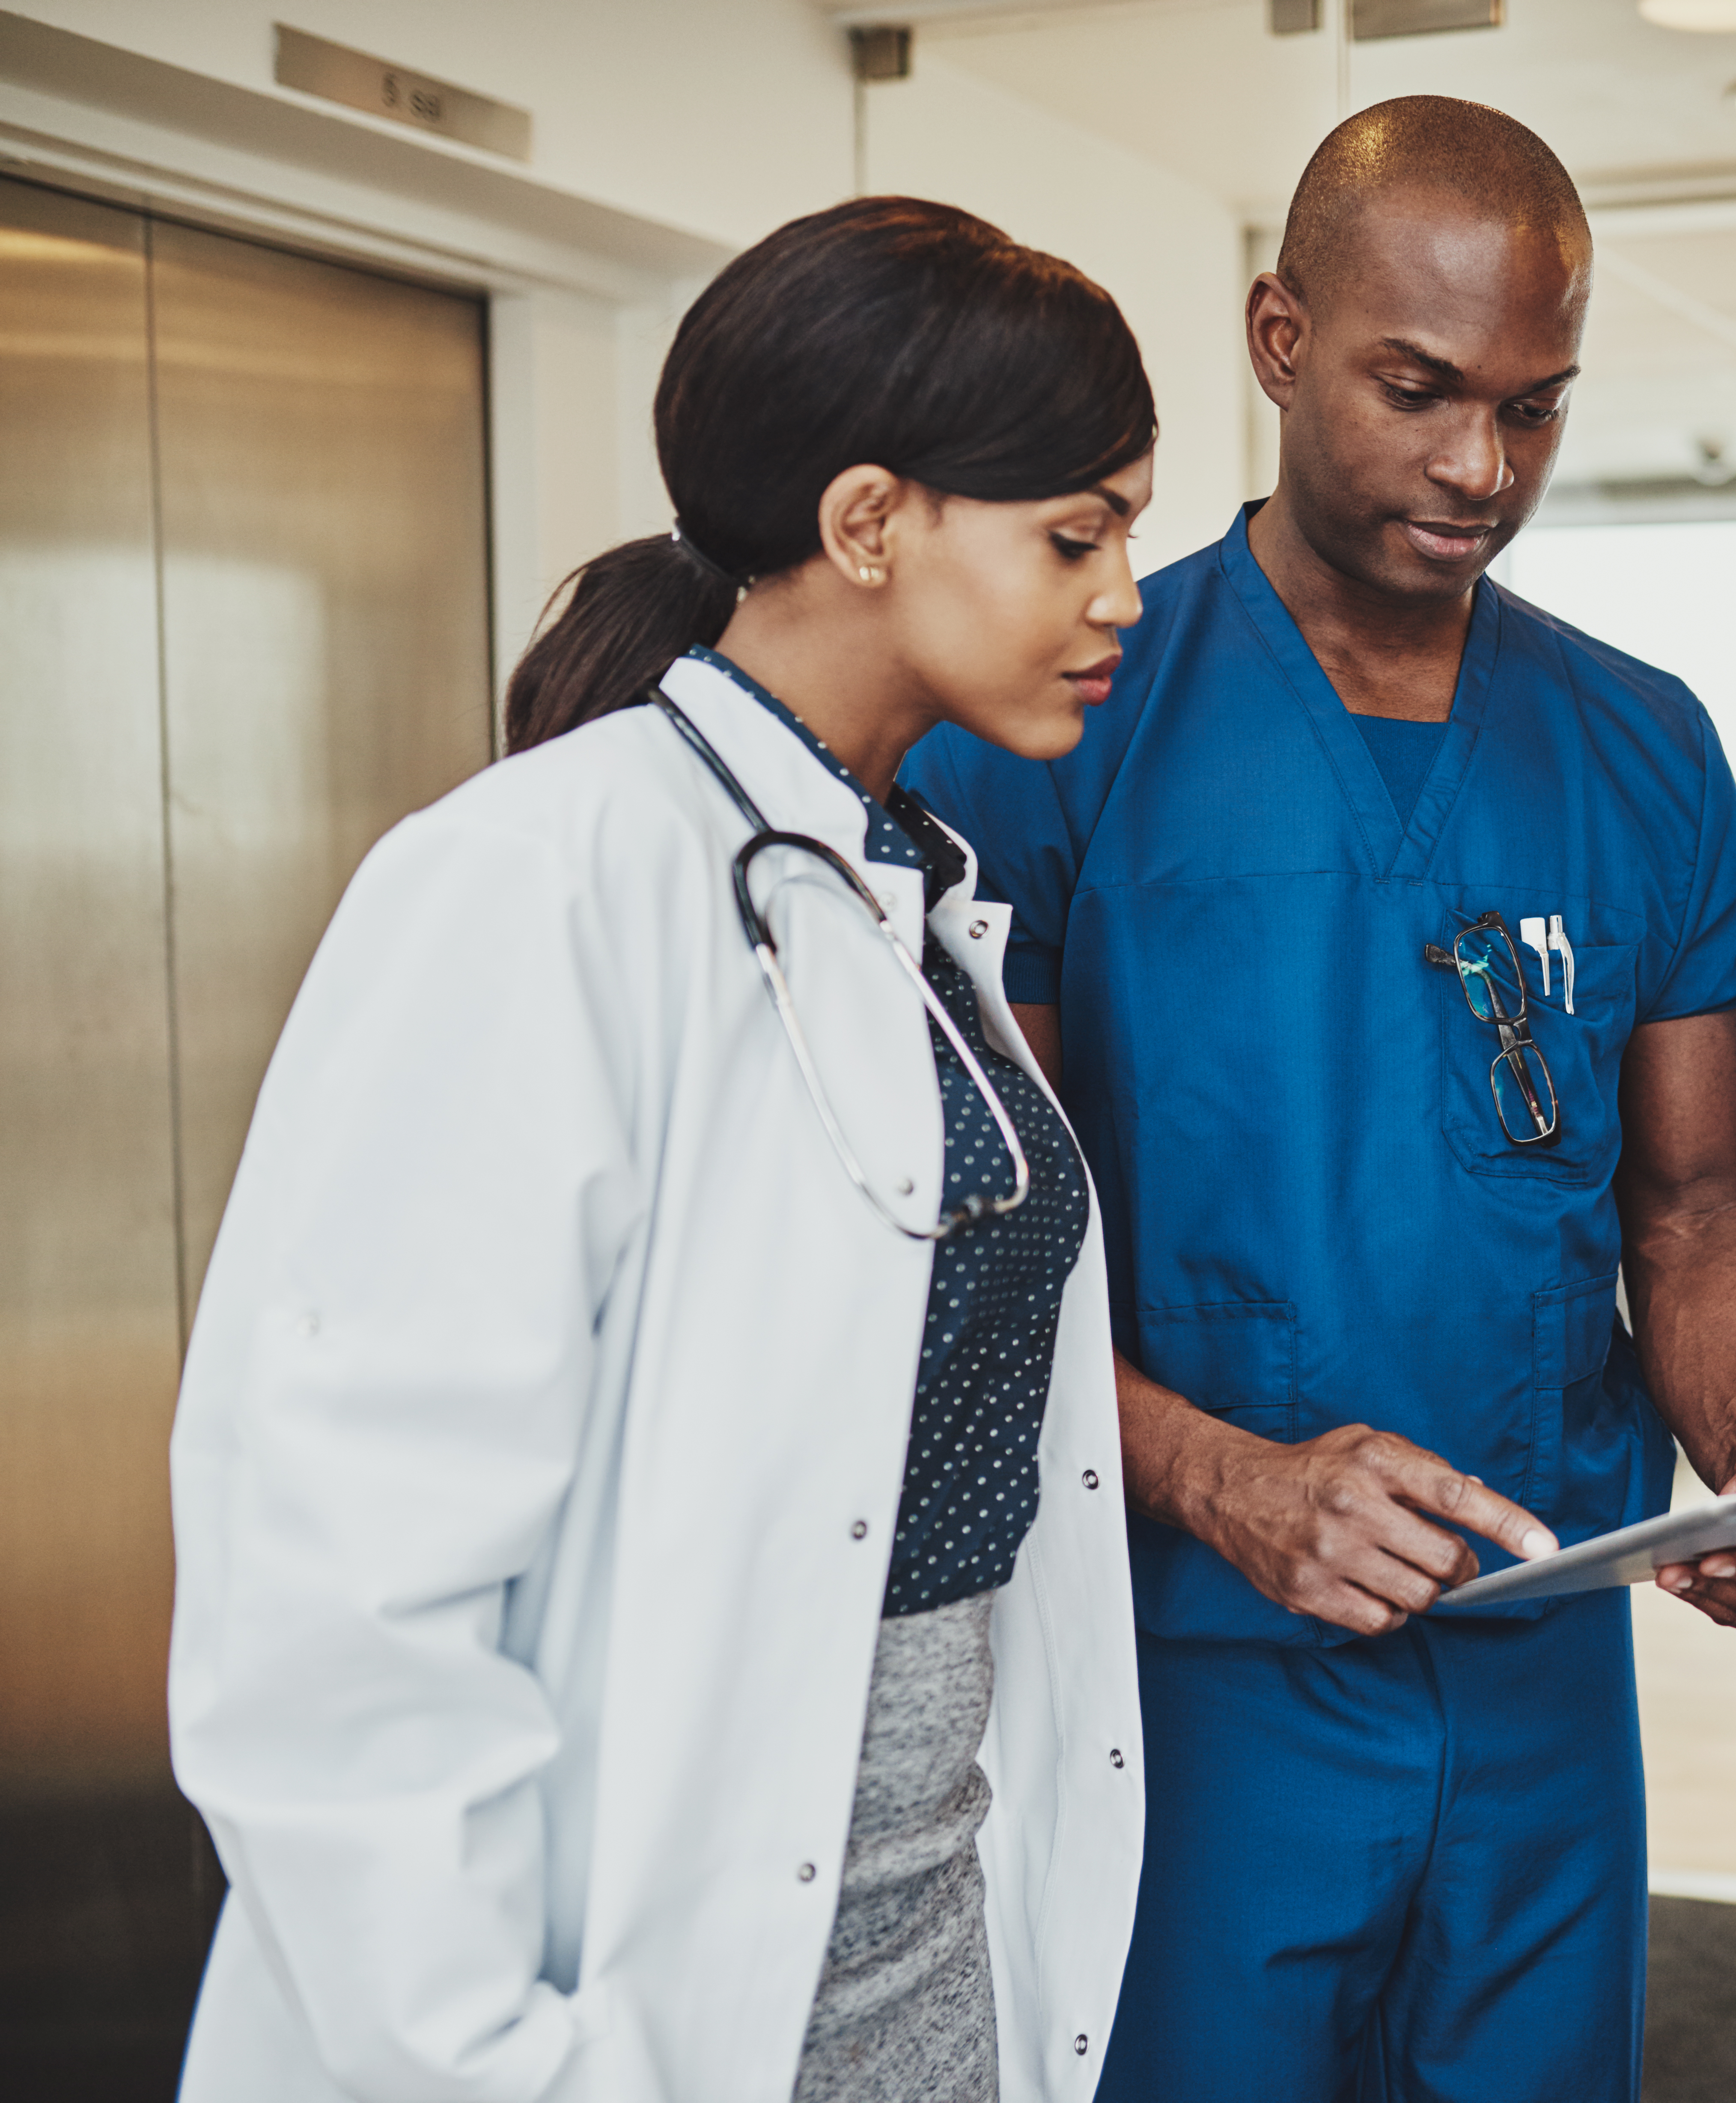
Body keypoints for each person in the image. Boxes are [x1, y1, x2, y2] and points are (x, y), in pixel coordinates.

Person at [902, 96, 1736, 2103]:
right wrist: (1222, 1479)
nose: (1479, 466)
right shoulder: (1070, 727)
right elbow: (965, 1264)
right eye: (1419, 389)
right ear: (1277, 340)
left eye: (1534, 408)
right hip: (1194, 1677)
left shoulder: (1637, 744)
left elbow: (1687, 1213)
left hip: (1542, 1685)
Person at [166, 197, 1158, 2102]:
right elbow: (339, 1596)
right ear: (870, 523)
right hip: (617, 2009)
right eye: (1077, 532)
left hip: (914, 1945)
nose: (1125, 589)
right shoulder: (538, 880)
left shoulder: (901, 899)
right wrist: (497, 2063)